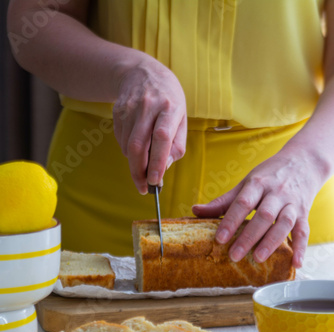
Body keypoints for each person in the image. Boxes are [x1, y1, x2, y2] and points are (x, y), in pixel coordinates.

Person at [7, 0, 334, 268]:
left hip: (285, 204)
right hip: (101, 209)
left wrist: (308, 162)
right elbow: (37, 18)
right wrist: (129, 71)